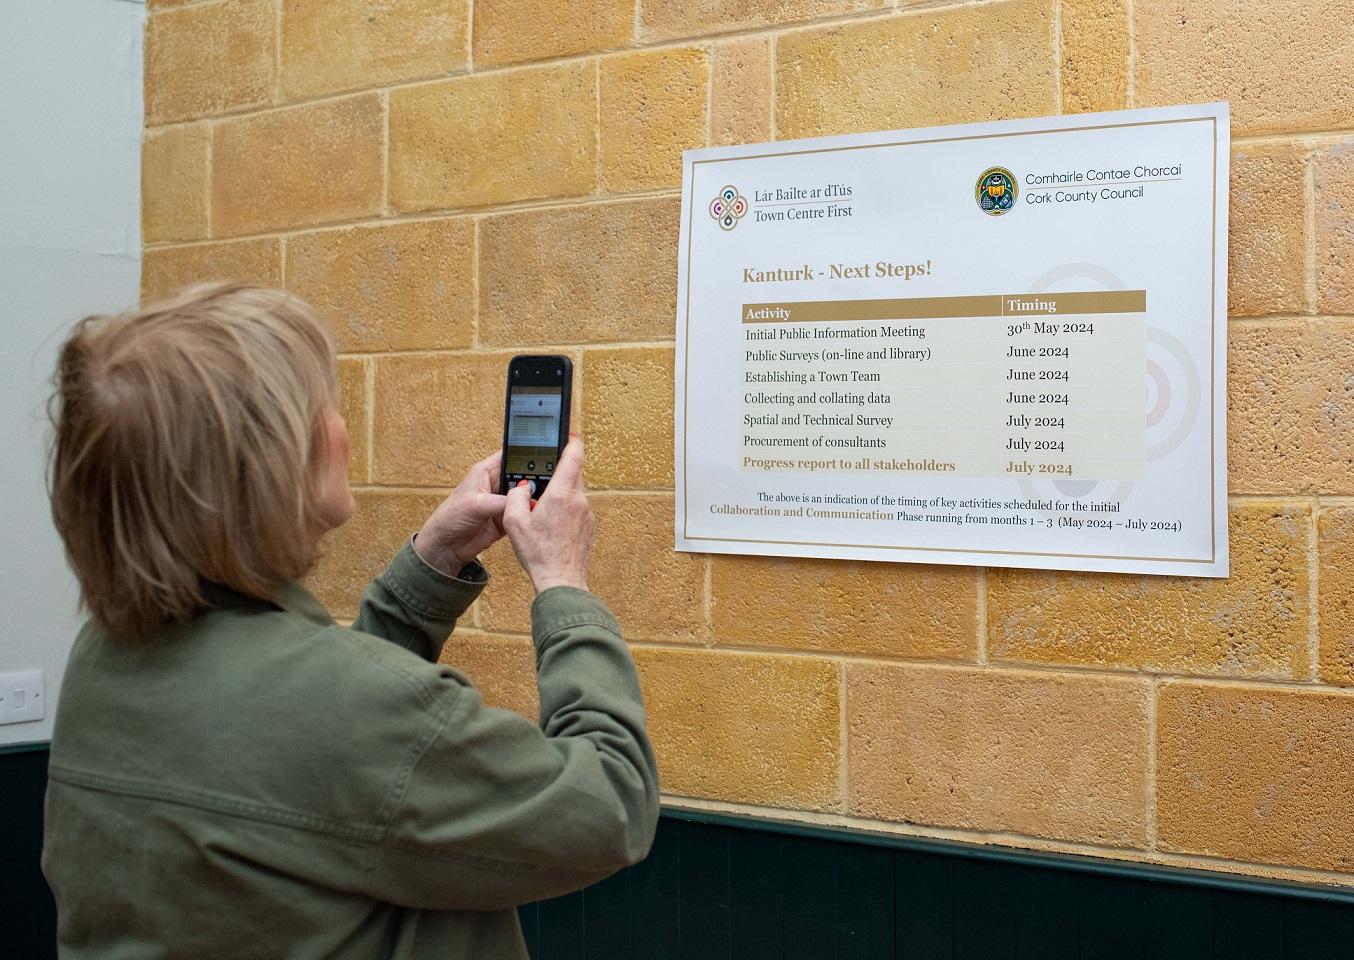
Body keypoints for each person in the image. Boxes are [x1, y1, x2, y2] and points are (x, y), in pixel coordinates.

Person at [41, 283, 659, 959]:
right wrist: (563, 582)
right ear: (273, 466)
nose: (341, 425)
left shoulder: (102, 661)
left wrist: (434, 562)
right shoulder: (354, 715)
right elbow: (610, 805)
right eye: (322, 404)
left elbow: (314, 760)